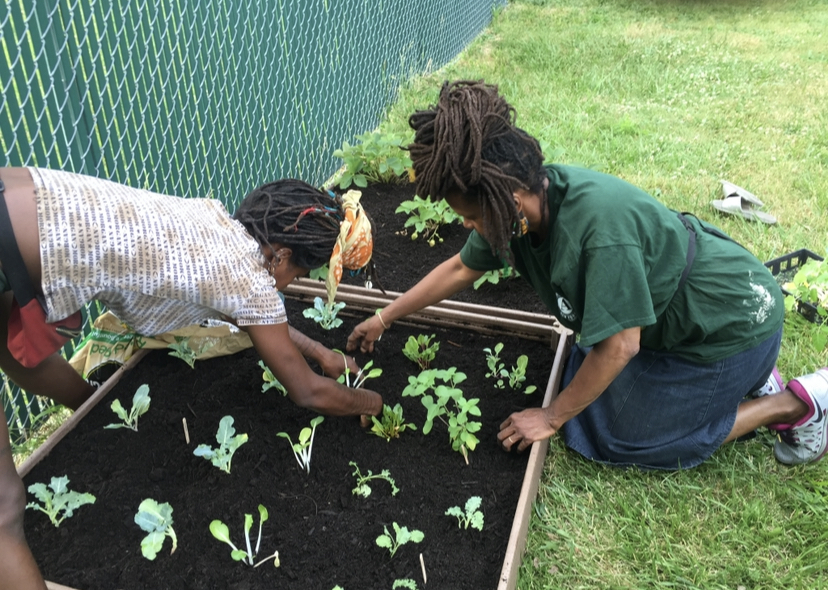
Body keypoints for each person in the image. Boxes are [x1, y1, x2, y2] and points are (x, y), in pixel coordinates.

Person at [347, 79, 828, 472]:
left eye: (470, 218)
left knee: (622, 434)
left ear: (506, 201)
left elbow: (620, 346)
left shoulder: (596, 231)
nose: (468, 228)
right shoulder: (522, 204)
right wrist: (384, 318)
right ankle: (743, 380)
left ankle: (793, 404)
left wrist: (550, 418)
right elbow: (459, 268)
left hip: (733, 324)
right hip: (680, 321)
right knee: (584, 373)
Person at [0, 166, 382, 590]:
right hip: (13, 240)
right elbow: (307, 391)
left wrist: (321, 353)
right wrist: (371, 403)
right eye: (299, 274)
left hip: (19, 197)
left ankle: (95, 408)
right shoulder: (248, 280)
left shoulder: (216, 221)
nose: (291, 286)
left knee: (15, 355)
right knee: (5, 503)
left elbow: (247, 315)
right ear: (282, 255)